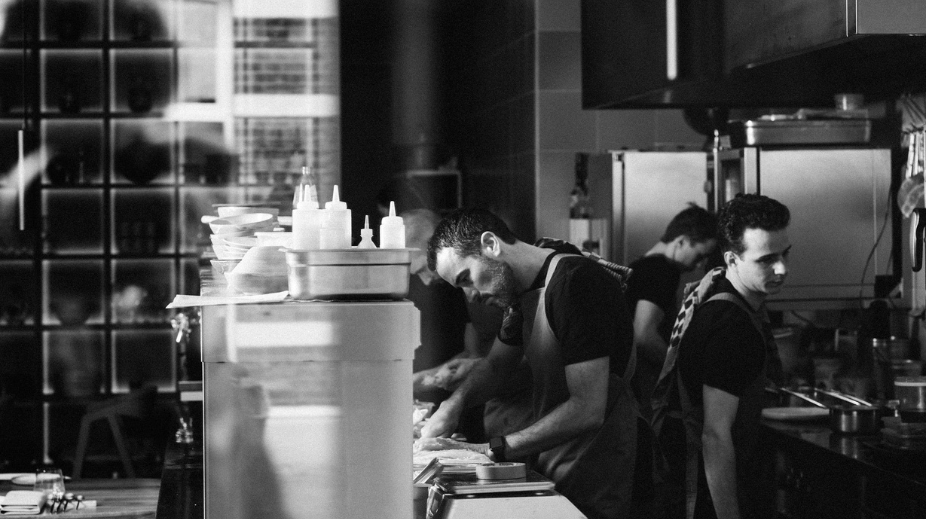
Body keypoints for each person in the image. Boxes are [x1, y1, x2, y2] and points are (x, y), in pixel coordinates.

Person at [417, 208, 638, 519]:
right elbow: (495, 366)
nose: (470, 297)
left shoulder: (576, 284)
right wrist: (454, 405)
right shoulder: (522, 294)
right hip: (556, 457)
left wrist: (493, 448)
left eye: (466, 279)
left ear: (491, 244)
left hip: (598, 464)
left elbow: (588, 408)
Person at [669, 194, 790, 519]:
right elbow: (715, 434)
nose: (782, 268)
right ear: (732, 259)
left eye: (785, 253)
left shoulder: (728, 299)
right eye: (766, 259)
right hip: (712, 495)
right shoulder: (731, 327)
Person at [405, 208, 493, 442]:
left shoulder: (479, 281)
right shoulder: (457, 286)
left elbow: (493, 357)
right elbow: (475, 355)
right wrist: (427, 377)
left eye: (424, 268)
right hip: (484, 407)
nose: (424, 280)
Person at [627, 204, 718, 422]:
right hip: (644, 389)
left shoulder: (638, 266)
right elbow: (644, 336)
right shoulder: (663, 271)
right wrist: (683, 372)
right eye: (699, 256)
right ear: (681, 241)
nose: (700, 266)